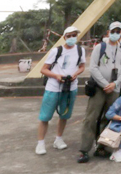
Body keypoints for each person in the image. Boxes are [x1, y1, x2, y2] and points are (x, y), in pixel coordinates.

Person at [78, 21, 121, 163]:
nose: (116, 34)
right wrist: (105, 84)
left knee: (109, 118)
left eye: (119, 32)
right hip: (100, 88)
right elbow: (93, 67)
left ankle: (102, 147)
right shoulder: (100, 47)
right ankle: (84, 149)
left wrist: (115, 83)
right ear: (109, 32)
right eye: (113, 31)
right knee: (91, 118)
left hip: (115, 88)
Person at [36, 26, 85, 155]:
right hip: (53, 87)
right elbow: (44, 69)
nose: (72, 38)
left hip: (70, 87)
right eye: (69, 36)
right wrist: (56, 76)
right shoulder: (56, 51)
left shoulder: (80, 50)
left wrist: (75, 74)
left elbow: (82, 66)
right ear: (64, 37)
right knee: (45, 116)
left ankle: (58, 139)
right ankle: (40, 143)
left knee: (64, 115)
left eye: (74, 35)